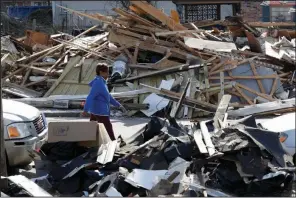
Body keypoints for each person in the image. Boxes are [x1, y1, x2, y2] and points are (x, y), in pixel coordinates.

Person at [83, 63, 126, 141]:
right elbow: (90, 96)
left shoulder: (102, 82)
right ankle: (113, 142)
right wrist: (85, 109)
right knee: (108, 127)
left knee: (92, 128)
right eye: (107, 72)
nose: (108, 74)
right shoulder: (98, 83)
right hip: (100, 111)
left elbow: (108, 96)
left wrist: (118, 105)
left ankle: (89, 142)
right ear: (101, 72)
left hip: (96, 110)